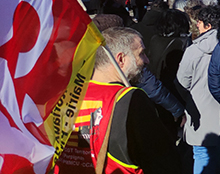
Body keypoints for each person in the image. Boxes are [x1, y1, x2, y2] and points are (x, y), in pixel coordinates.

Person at [54, 27, 181, 174]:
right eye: (141, 54)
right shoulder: (130, 99)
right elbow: (164, 161)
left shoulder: (65, 96)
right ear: (120, 59)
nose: (146, 61)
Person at [177, 5, 220, 174]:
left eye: (198, 23)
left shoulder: (193, 50)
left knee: (201, 155)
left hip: (200, 108)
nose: (196, 26)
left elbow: (182, 81)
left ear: (207, 25)